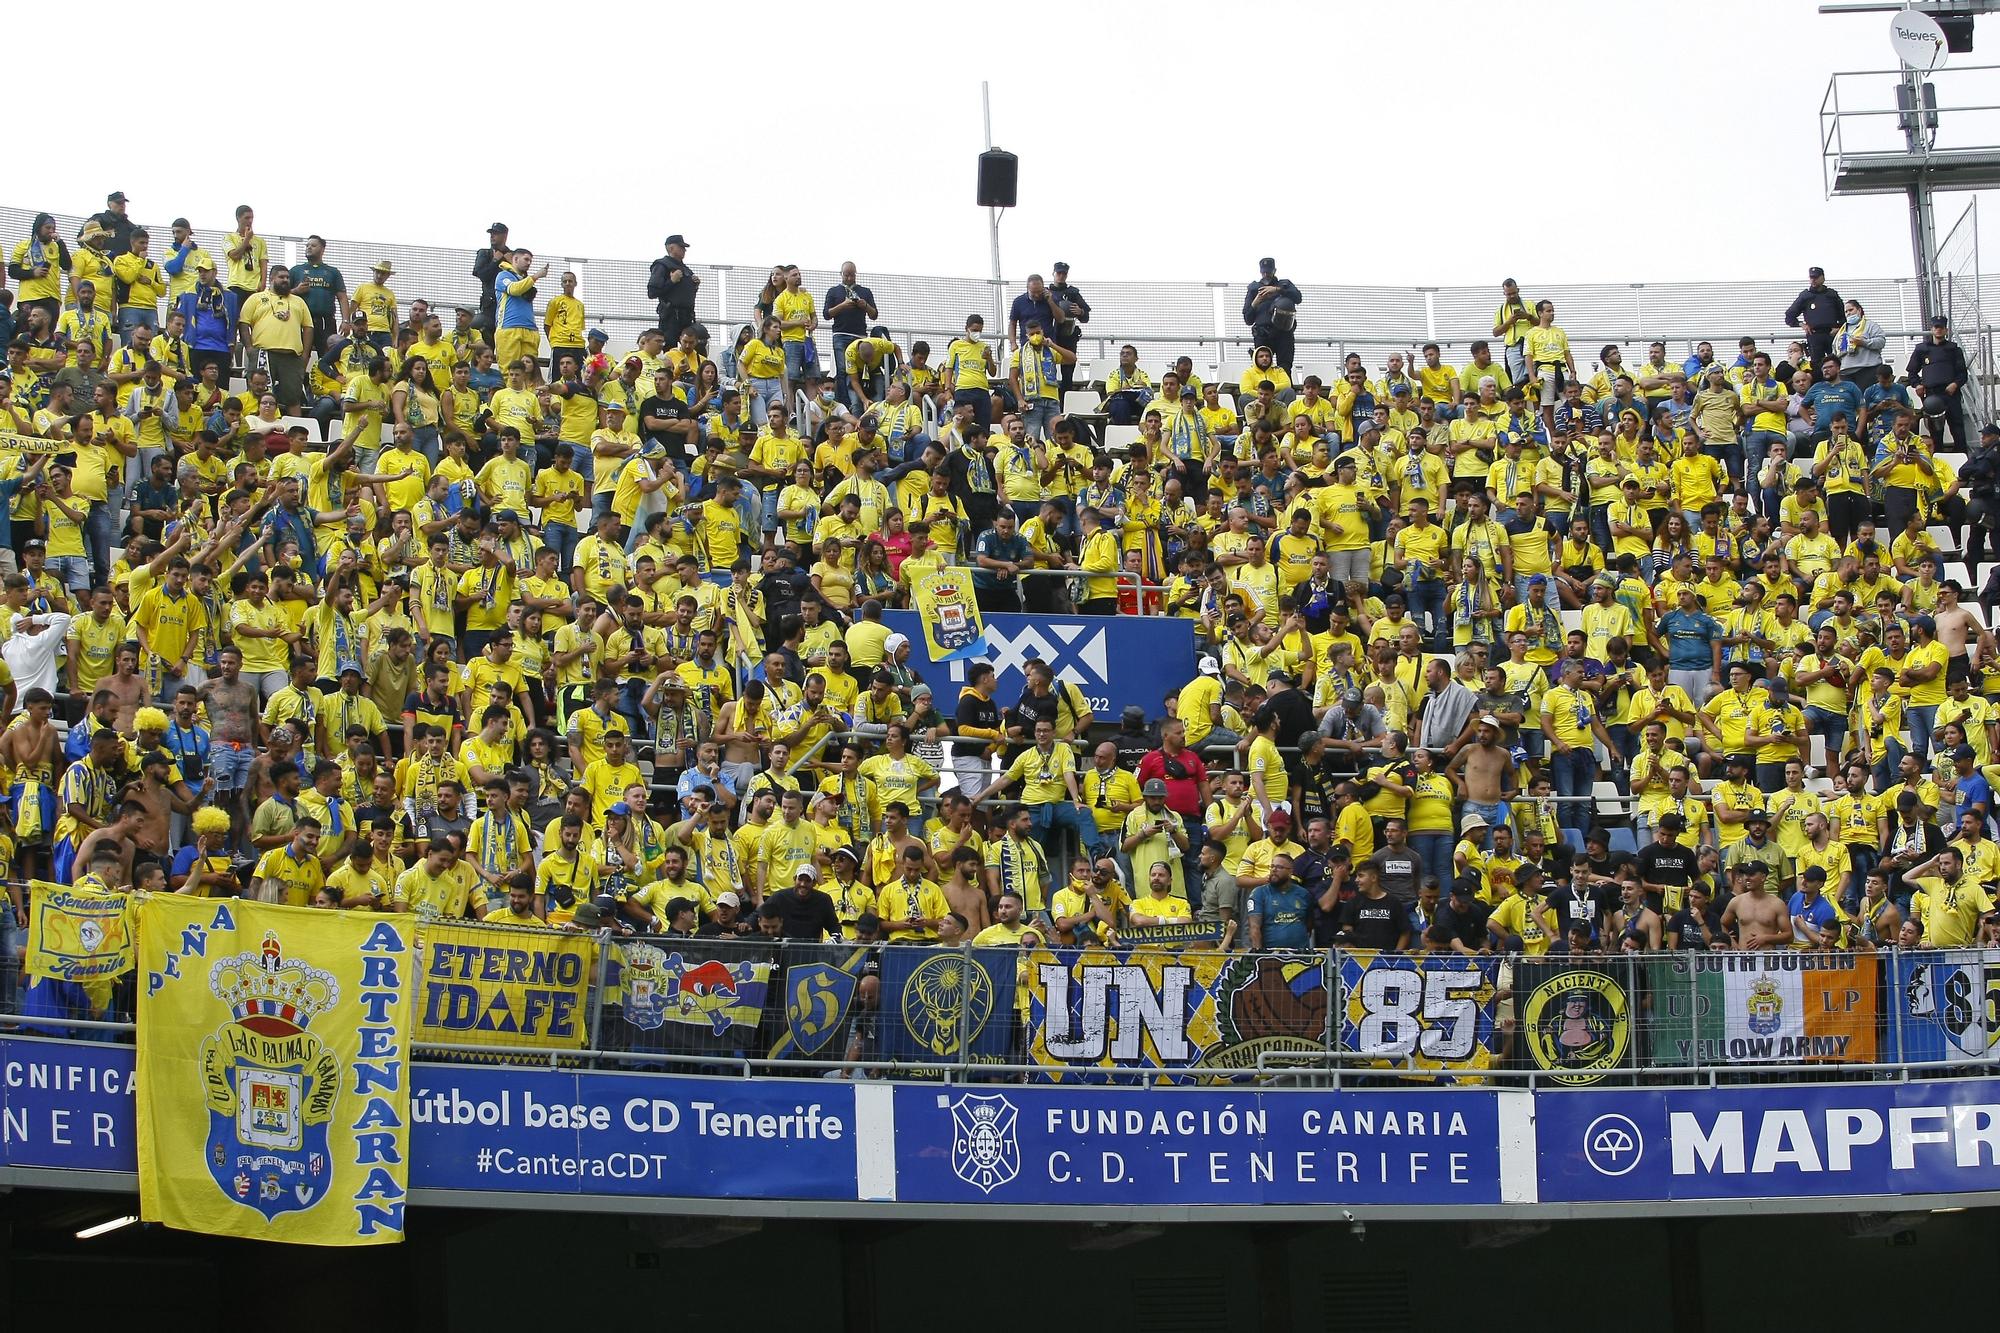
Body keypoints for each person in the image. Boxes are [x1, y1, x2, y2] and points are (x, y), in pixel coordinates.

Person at [1243, 258, 1302, 374]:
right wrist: (1256, 301)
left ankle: (1285, 390)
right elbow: (1248, 318)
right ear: (1260, 271)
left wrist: (1277, 290)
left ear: (1274, 270)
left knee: (1284, 368)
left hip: (1284, 333)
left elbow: (1298, 298)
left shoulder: (1284, 285)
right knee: (1262, 368)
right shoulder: (1254, 289)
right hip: (1262, 334)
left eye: (1268, 271)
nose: (1266, 274)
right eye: (1263, 272)